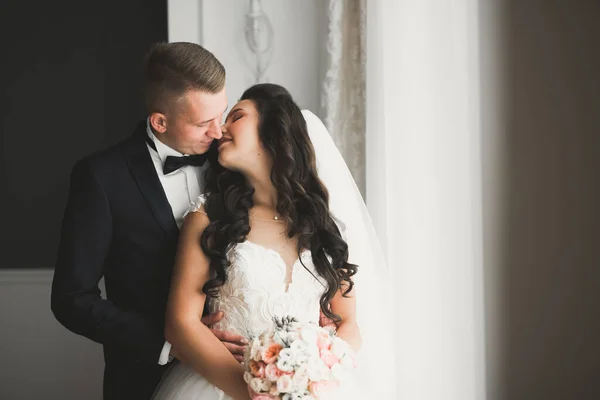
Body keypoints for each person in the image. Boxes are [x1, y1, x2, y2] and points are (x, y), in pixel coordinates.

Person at [151, 84, 392, 400]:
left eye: (236, 116)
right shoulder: (209, 216)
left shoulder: (322, 226)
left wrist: (312, 371)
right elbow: (181, 324)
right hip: (225, 387)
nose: (220, 127)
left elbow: (348, 324)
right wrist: (259, 392)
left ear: (273, 131)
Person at [51, 42, 248, 400]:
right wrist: (172, 341)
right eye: (204, 122)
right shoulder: (101, 177)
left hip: (241, 370)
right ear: (160, 121)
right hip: (143, 379)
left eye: (221, 114)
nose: (218, 132)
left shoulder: (236, 162)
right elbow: (70, 298)